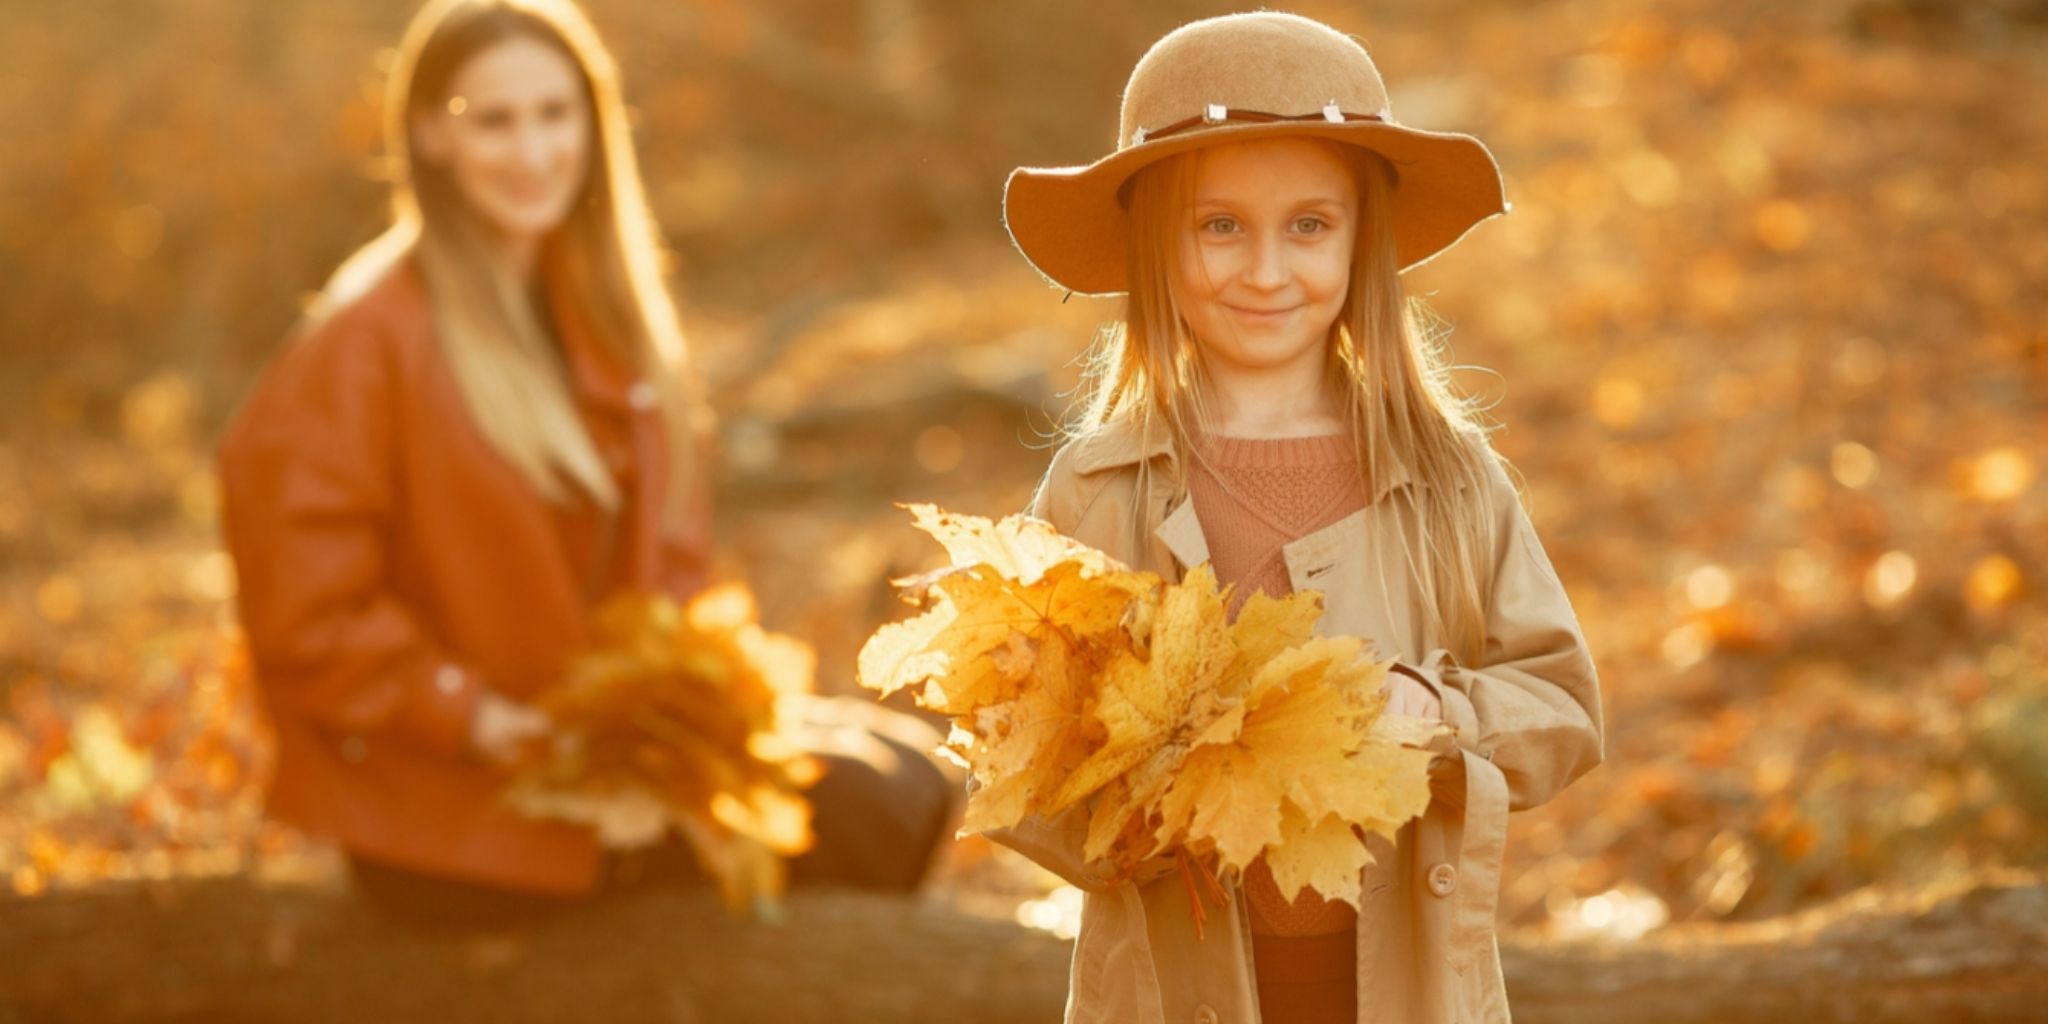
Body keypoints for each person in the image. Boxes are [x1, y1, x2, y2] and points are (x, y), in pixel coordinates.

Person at [218, 0, 950, 931]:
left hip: (592, 751)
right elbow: (303, 615)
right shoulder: (362, 343)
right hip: (460, 807)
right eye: (494, 121)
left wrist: (673, 717)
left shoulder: (589, 307)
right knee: (872, 817)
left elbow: (663, 565)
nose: (532, 152)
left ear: (595, 125)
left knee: (914, 771)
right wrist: (472, 718)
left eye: (554, 115)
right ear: (427, 138)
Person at [986, 12, 1604, 1024]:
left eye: (1307, 226)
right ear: (1153, 239)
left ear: (1363, 239)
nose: (1265, 270)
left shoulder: (1449, 481)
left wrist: (1437, 716)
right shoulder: (1095, 488)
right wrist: (1133, 797)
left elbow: (1561, 707)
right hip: (1167, 989)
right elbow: (1019, 750)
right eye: (1217, 224)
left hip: (1405, 987)